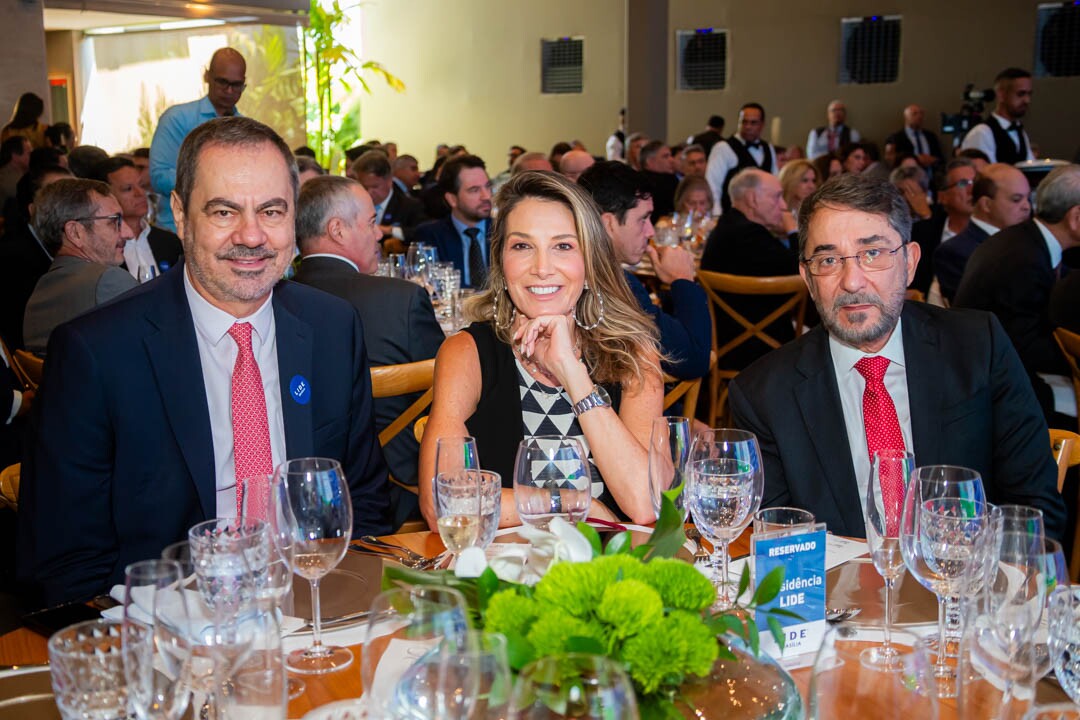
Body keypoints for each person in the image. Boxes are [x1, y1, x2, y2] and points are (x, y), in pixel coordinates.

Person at [17, 116, 392, 607]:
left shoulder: (332, 327)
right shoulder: (99, 352)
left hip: (309, 613)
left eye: (273, 211)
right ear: (179, 212)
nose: (253, 236)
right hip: (169, 633)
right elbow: (63, 563)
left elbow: (363, 501)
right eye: (223, 212)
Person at [728, 174, 1064, 540]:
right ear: (807, 279)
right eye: (828, 260)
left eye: (872, 253)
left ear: (910, 262)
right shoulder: (763, 394)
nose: (852, 281)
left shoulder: (977, 347)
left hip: (963, 583)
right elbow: (779, 543)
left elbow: (1036, 509)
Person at [418, 171, 664, 529]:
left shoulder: (632, 354)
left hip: (612, 573)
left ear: (591, 263)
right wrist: (573, 504)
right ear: (501, 263)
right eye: (522, 246)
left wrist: (571, 371)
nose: (542, 268)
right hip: (502, 574)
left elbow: (645, 503)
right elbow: (443, 502)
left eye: (563, 246)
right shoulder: (468, 352)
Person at [293, 175, 444, 530]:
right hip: (400, 491)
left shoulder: (274, 300)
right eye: (372, 222)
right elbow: (449, 394)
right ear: (338, 230)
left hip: (304, 491)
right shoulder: (402, 300)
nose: (379, 234)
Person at [954, 165, 1079, 422]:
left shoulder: (1024, 240)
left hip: (997, 372)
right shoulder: (1022, 259)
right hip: (992, 392)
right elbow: (1023, 346)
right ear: (1075, 218)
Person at [579, 161, 711, 381]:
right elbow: (695, 360)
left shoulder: (578, 269)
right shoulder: (615, 285)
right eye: (643, 219)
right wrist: (683, 280)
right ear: (608, 224)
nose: (650, 231)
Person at [22, 179, 138, 354]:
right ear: (76, 232)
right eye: (115, 221)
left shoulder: (38, 296)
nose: (128, 233)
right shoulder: (108, 281)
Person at [701, 169, 799, 371]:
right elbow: (802, 268)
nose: (783, 205)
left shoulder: (730, 225)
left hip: (726, 343)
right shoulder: (749, 235)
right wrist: (793, 231)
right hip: (761, 348)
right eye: (777, 196)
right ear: (753, 199)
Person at [150, 47, 247, 232]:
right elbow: (159, 177)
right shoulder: (177, 118)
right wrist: (214, 182)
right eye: (222, 82)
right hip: (180, 230)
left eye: (236, 85)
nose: (229, 91)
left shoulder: (246, 128)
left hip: (232, 229)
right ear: (207, 76)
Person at [935, 163, 1031, 302]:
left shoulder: (1029, 238)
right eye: (1016, 199)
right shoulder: (954, 252)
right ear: (986, 204)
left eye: (1028, 198)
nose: (1027, 207)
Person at [0, 164, 71, 350]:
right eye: (60, 197)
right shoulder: (11, 262)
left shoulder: (72, 248)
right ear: (34, 209)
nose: (75, 206)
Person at [90, 156, 183, 279]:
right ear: (107, 197)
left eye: (141, 185)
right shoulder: (101, 249)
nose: (140, 193)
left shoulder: (169, 242)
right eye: (128, 189)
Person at [413, 155, 493, 288]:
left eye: (488, 186)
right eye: (474, 190)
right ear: (452, 199)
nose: (486, 196)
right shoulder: (430, 236)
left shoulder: (506, 230)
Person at [908, 158, 976, 295]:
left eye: (975, 182)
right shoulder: (921, 234)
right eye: (963, 183)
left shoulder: (996, 233)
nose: (972, 189)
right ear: (943, 196)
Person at [705, 103, 780, 214]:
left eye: (753, 123)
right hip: (731, 216)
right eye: (744, 122)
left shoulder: (768, 148)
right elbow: (713, 185)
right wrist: (716, 215)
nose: (748, 127)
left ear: (762, 125)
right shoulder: (723, 148)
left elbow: (774, 183)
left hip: (763, 217)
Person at [351, 149, 427, 250]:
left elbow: (422, 233)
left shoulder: (409, 206)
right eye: (364, 187)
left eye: (375, 187)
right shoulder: (353, 205)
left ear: (389, 181)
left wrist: (390, 230)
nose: (369, 193)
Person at [961, 68, 1035, 164]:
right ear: (1001, 95)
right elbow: (984, 174)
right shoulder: (982, 133)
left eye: (1029, 94)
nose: (1027, 100)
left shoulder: (1020, 131)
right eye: (1021, 94)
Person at [885, 104, 944, 169]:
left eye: (921, 113)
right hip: (906, 175)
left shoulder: (931, 136)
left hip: (930, 176)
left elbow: (941, 158)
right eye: (915, 114)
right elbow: (890, 159)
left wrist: (933, 160)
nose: (919, 116)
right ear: (906, 117)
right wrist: (916, 159)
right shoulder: (895, 138)